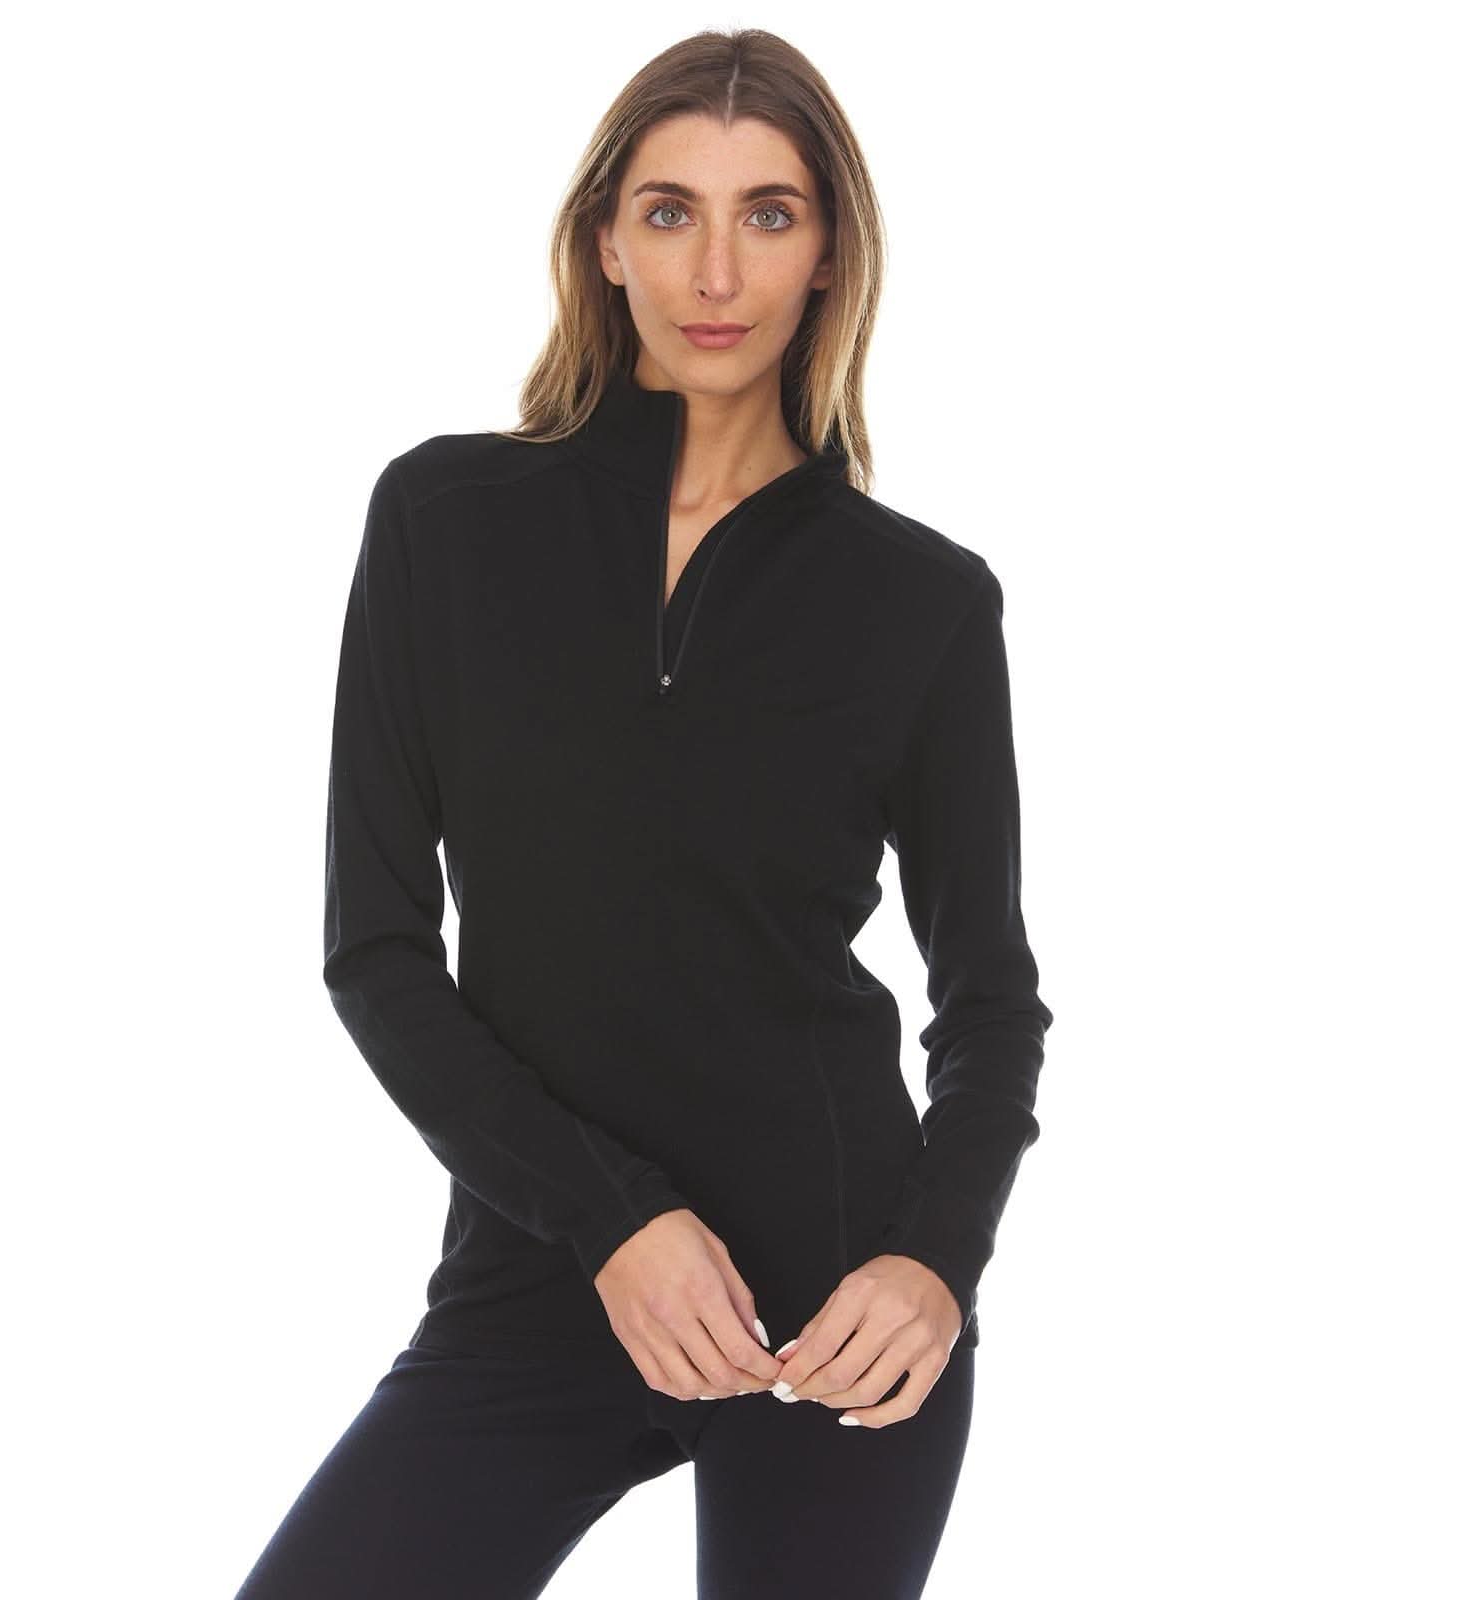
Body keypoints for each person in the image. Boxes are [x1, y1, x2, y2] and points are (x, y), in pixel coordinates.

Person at [234, 26, 1053, 1600]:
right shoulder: (443, 524)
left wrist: (933, 1266)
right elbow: (376, 953)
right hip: (540, 1275)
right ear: (606, 240)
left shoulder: (923, 603)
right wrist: (615, 1224)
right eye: (672, 211)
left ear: (829, 254)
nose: (716, 271)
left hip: (836, 1305)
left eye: (770, 214)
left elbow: (992, 1003)